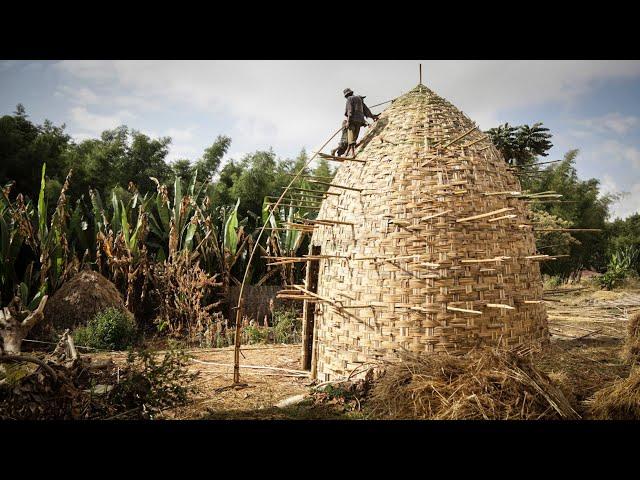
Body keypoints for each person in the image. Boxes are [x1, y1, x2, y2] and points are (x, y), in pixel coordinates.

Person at [343, 88, 379, 157]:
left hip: (352, 120)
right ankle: (347, 153)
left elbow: (349, 111)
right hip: (360, 120)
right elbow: (366, 110)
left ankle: (353, 154)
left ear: (346, 95)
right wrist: (373, 117)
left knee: (351, 137)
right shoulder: (359, 99)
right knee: (355, 137)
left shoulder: (349, 99)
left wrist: (348, 121)